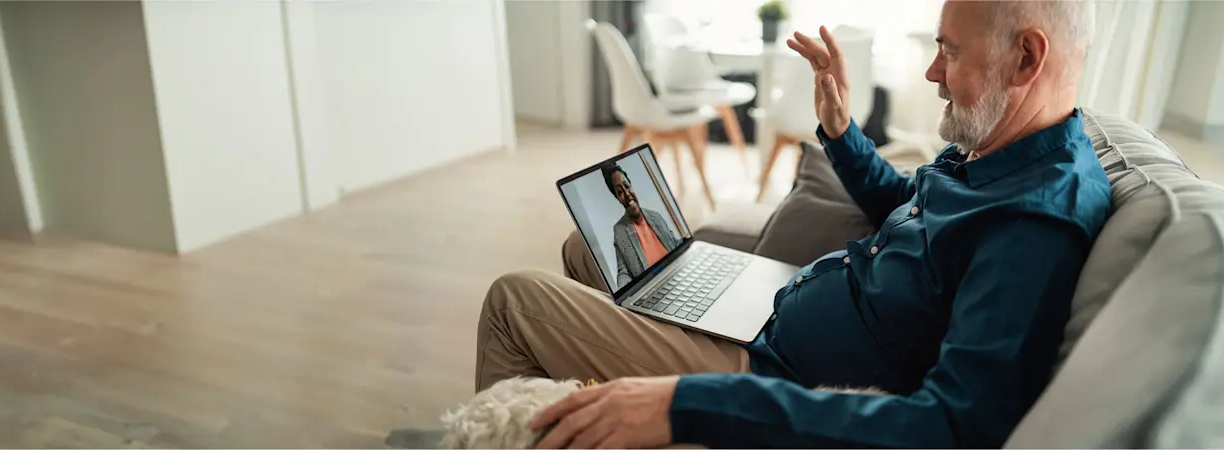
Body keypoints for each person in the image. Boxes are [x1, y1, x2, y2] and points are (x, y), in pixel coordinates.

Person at [474, 1, 1112, 447]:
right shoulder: (999, 151)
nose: (932, 71)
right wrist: (840, 131)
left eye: (949, 50)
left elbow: (949, 427)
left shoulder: (1033, 223)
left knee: (513, 300)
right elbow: (904, 204)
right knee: (586, 251)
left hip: (770, 375)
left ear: (1026, 58)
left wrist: (683, 403)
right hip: (774, 309)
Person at [602, 163, 681, 287]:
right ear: (617, 198)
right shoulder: (620, 230)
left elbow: (675, 244)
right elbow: (624, 273)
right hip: (653, 288)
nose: (627, 194)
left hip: (678, 273)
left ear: (632, 186)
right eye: (620, 191)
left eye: (627, 186)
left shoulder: (656, 216)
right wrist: (625, 295)